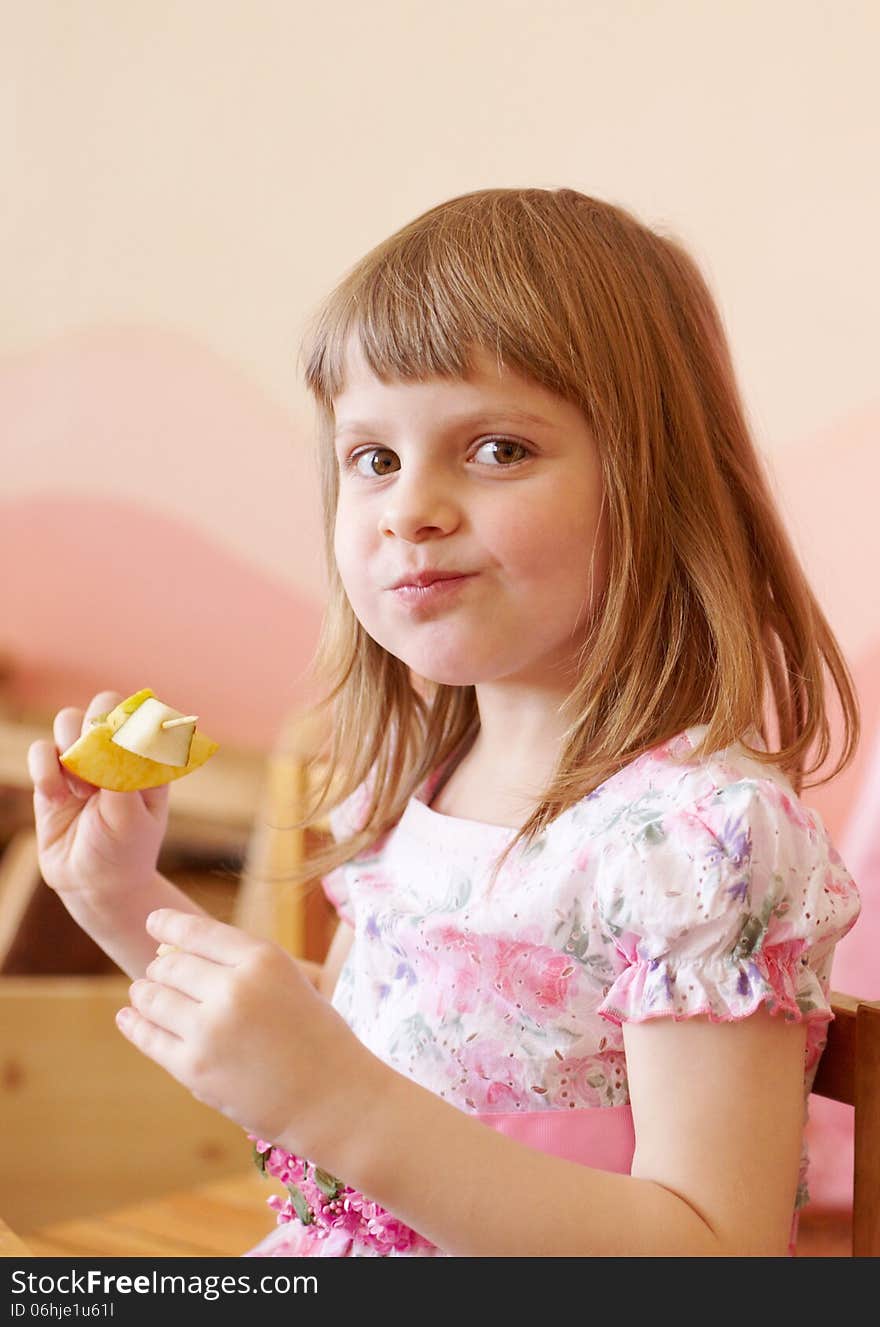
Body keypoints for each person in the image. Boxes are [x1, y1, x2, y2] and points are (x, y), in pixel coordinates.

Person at [27, 187, 861, 1258]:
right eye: (372, 458)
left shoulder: (699, 845)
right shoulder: (411, 782)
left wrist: (340, 1105)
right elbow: (398, 1047)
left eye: (498, 448)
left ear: (655, 489)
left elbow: (714, 1252)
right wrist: (118, 897)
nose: (407, 507)